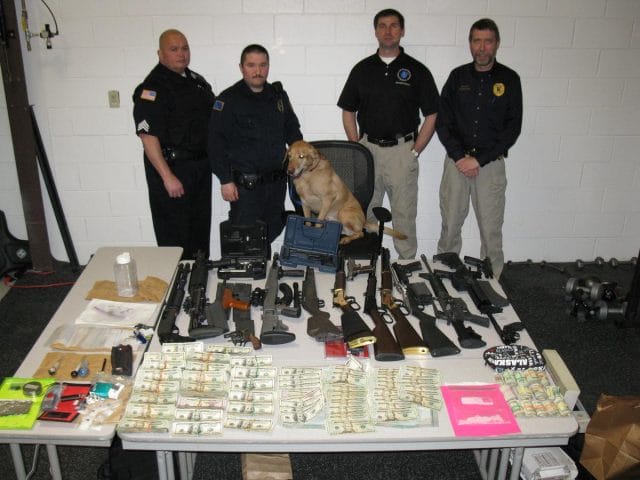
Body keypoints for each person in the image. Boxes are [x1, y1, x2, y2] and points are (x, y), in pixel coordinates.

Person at [337, 8, 439, 259]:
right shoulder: (362, 69)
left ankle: (406, 266)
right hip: (368, 151)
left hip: (401, 152)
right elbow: (348, 110)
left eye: (394, 26)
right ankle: (367, 262)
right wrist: (357, 148)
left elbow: (433, 115)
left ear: (402, 31)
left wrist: (415, 151)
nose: (388, 31)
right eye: (382, 26)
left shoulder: (417, 70)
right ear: (375, 32)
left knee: (404, 213)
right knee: (366, 212)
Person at [436, 18, 522, 279]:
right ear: (470, 44)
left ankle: (493, 282)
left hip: (490, 166)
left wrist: (479, 160)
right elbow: (442, 121)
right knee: (450, 225)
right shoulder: (457, 77)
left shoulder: (509, 79)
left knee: (490, 229)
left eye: (487, 41)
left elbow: (512, 128)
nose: (482, 48)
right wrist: (460, 157)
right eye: (477, 41)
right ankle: (443, 277)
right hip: (456, 164)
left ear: (496, 44)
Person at [132, 29, 215, 260]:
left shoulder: (197, 83)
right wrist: (167, 176)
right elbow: (148, 137)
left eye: (185, 48)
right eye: (174, 49)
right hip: (171, 168)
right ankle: (176, 288)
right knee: (175, 236)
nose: (181, 54)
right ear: (160, 54)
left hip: (198, 168)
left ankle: (197, 283)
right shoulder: (152, 89)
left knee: (199, 232)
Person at [209, 44, 302, 243]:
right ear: (241, 67)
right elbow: (215, 143)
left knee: (272, 230)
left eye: (262, 65)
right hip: (246, 188)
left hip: (276, 185)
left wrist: (301, 164)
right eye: (251, 65)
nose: (257, 71)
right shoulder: (228, 100)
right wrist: (225, 179)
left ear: (268, 66)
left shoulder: (278, 96)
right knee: (248, 239)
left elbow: (293, 131)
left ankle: (266, 271)